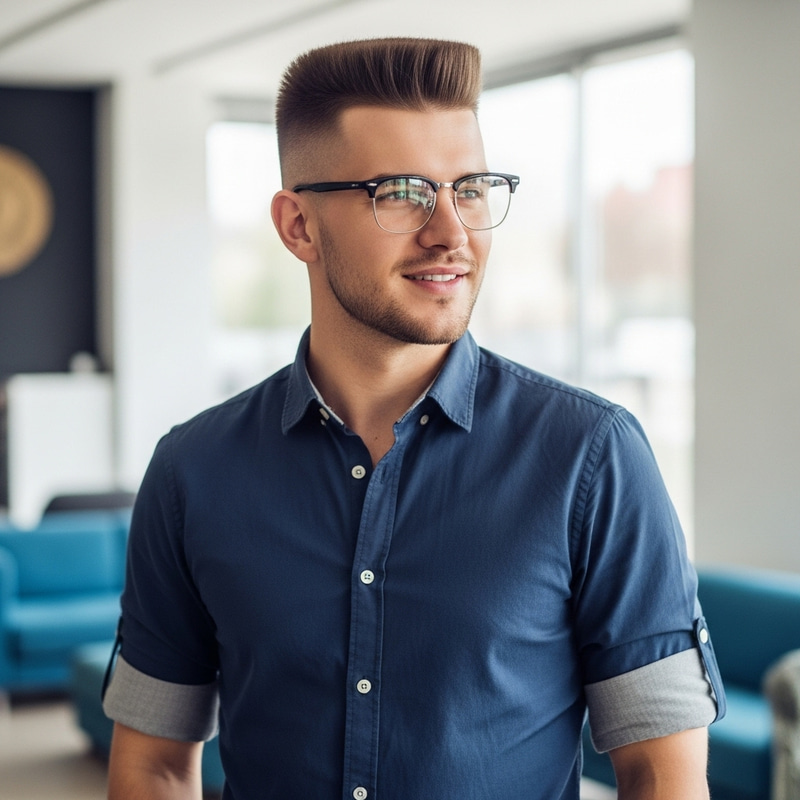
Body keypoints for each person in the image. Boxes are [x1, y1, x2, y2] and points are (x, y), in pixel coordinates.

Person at [103, 37, 725, 800]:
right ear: (298, 227)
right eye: (400, 191)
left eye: (470, 188)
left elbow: (663, 776)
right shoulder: (192, 472)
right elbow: (155, 765)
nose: (452, 233)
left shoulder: (592, 458)